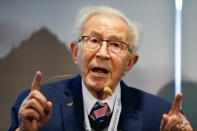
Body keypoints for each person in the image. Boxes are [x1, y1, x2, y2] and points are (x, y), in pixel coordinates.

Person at [9, 6, 193, 131]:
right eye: (94, 40)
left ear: (130, 63)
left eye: (115, 45)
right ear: (75, 52)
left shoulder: (159, 115)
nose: (102, 53)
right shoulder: (37, 106)